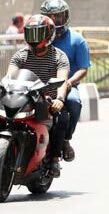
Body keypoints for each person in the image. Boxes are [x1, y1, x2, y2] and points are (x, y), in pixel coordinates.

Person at [7, 15, 70, 177]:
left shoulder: (59, 57)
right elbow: (9, 77)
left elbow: (62, 81)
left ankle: (55, 158)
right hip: (23, 98)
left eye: (38, 34)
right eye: (30, 34)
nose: (34, 39)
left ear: (49, 34)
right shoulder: (20, 55)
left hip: (47, 101)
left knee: (62, 118)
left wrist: (60, 99)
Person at [41, 0, 90, 163]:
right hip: (41, 84)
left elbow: (83, 68)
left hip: (67, 85)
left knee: (75, 103)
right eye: (50, 16)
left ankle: (66, 140)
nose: (54, 20)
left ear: (65, 16)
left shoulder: (77, 40)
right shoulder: (41, 38)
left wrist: (69, 83)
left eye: (58, 16)